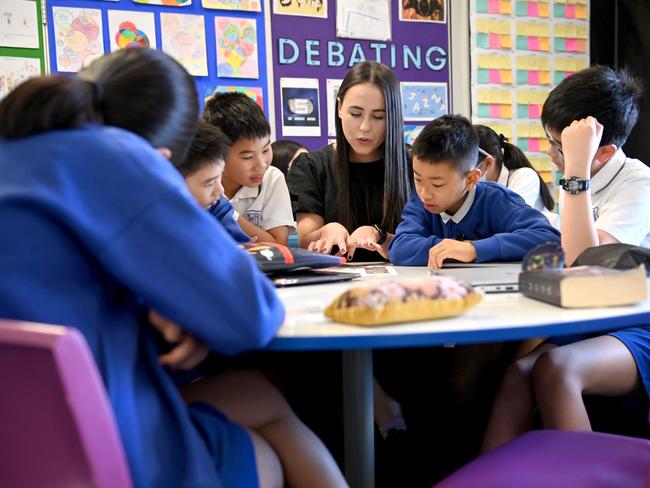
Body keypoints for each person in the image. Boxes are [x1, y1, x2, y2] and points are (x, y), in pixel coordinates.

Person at [0, 48, 347, 488]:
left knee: (254, 392)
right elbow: (250, 316)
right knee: (265, 450)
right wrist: (190, 308)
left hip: (20, 446)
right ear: (164, 157)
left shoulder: (17, 150)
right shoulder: (119, 159)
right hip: (98, 442)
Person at [482, 66, 650, 453]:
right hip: (600, 317)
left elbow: (584, 262)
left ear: (602, 151)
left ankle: (582, 475)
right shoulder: (584, 178)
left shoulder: (635, 183)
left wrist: (575, 168)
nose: (550, 153)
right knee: (516, 374)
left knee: (556, 370)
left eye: (557, 145)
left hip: (638, 322)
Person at [388, 114, 560, 268]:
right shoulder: (421, 203)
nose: (425, 193)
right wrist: (451, 249)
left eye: (437, 184)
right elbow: (400, 248)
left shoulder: (497, 200)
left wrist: (473, 249)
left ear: (471, 179)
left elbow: (548, 238)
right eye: (418, 179)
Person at [287, 61, 412, 262]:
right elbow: (306, 243)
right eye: (355, 114)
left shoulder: (413, 165)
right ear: (339, 108)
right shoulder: (312, 167)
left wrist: (380, 236)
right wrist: (326, 231)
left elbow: (426, 240)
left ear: (393, 117)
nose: (364, 127)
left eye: (378, 117)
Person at [204, 93, 295, 245]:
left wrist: (226, 214)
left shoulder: (271, 179)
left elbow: (278, 246)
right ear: (218, 153)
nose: (262, 165)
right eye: (247, 157)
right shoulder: (200, 183)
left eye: (266, 150)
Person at [177, 119, 250, 243]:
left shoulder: (218, 208)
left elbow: (239, 250)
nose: (220, 190)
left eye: (219, 176)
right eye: (210, 183)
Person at [474, 124, 555, 212]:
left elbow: (511, 218)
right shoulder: (477, 188)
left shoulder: (525, 177)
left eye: (468, 163)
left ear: (489, 162)